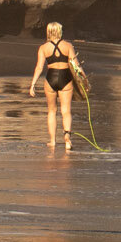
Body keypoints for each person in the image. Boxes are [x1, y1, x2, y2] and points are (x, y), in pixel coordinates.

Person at [31, 21, 84, 149]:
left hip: (50, 78)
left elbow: (39, 67)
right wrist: (83, 79)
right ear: (60, 31)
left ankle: (53, 141)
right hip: (66, 78)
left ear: (48, 31)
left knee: (51, 111)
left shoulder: (43, 48)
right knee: (66, 111)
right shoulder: (68, 45)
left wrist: (32, 84)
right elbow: (76, 65)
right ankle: (67, 138)